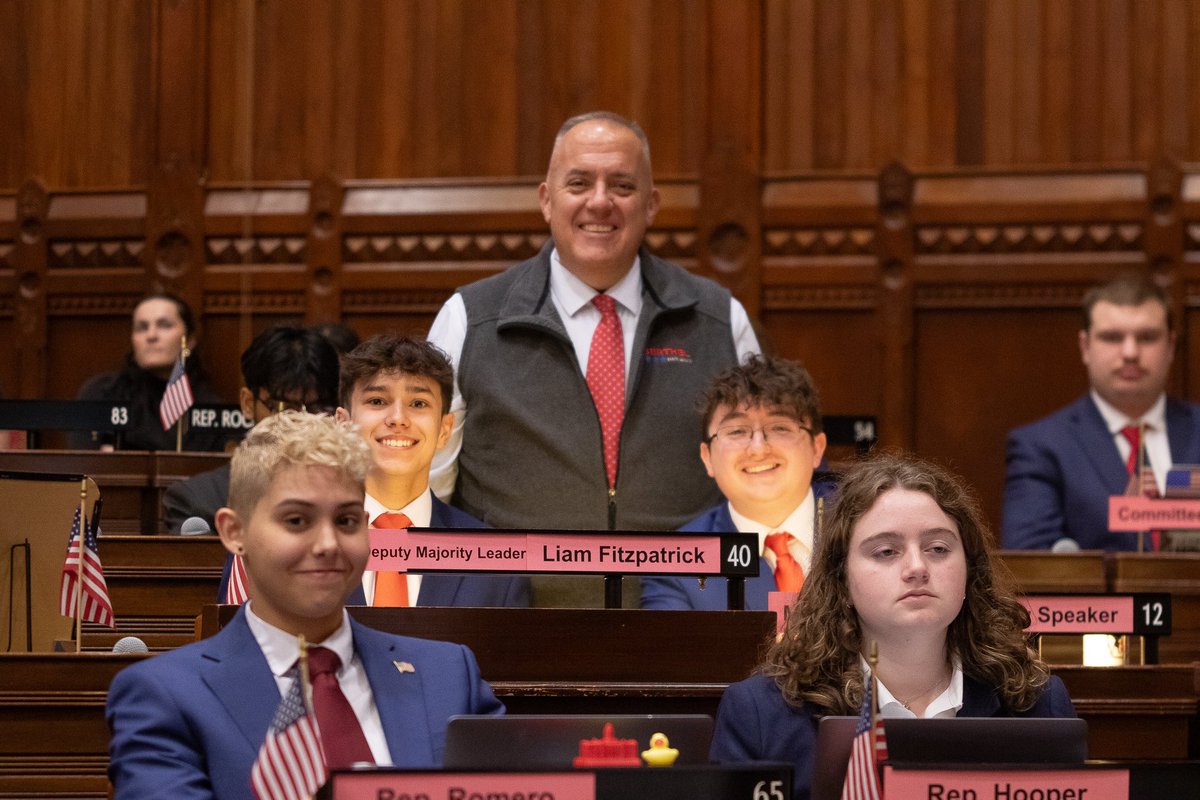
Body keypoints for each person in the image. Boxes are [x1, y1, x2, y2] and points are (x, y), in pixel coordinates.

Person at [427, 111, 759, 605]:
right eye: (579, 182)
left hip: (682, 624)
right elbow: (427, 489)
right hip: (512, 628)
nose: (599, 202)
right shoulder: (469, 320)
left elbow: (760, 481)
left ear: (651, 205)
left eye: (621, 185)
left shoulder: (718, 320)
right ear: (546, 199)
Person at [107, 411, 504, 798]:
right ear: (234, 531)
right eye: (297, 521)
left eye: (347, 521)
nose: (328, 544)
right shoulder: (165, 696)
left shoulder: (449, 676)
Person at [710, 453, 1075, 797]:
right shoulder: (761, 714)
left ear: (970, 571)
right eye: (886, 551)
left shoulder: (1037, 703)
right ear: (842, 580)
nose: (917, 567)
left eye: (938, 548)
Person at [331, 333, 530, 608]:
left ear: (445, 430)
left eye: (418, 404)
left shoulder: (498, 564)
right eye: (377, 401)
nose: (398, 419)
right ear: (343, 423)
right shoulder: (303, 546)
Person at [1002, 274, 1200, 550]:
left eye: (1147, 337)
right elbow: (1031, 559)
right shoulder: (1041, 446)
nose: (1130, 352)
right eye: (1112, 337)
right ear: (1085, 347)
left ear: (1170, 346)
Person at [641, 355, 836, 610]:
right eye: (736, 431)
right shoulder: (674, 563)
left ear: (817, 448)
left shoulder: (865, 530)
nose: (758, 449)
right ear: (707, 457)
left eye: (779, 428)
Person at [162, 324, 341, 534]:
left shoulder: (357, 494)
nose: (302, 422)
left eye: (317, 407)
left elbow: (385, 556)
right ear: (248, 403)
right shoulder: (199, 501)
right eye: (284, 408)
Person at [71, 293, 225, 451]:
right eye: (142, 327)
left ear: (190, 340)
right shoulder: (103, 392)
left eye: (164, 325)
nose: (151, 336)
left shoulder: (208, 408)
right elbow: (83, 462)